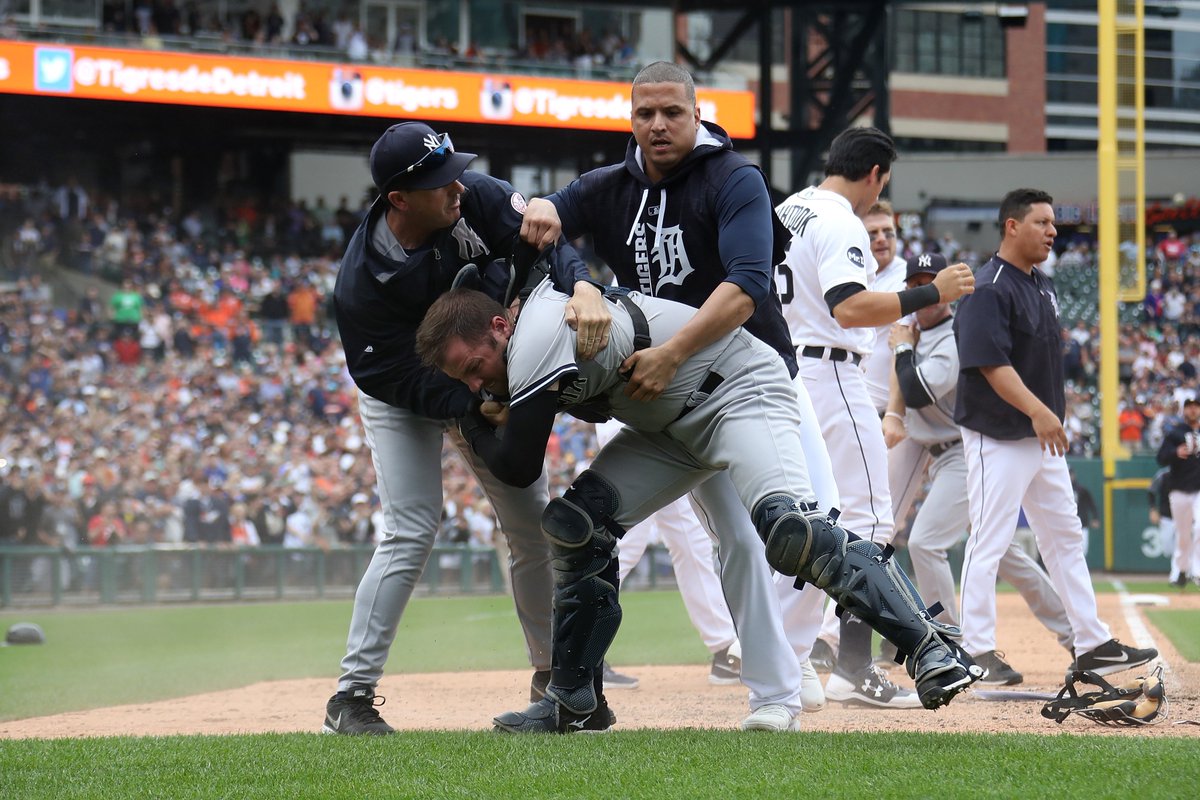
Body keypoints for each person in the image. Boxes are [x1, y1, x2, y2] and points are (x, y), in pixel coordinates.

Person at [416, 281, 981, 732]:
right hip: (670, 426)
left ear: (500, 325)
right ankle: (574, 701)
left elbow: (517, 466)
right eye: (463, 378)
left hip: (738, 392)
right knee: (575, 526)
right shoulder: (521, 338)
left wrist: (468, 416)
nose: (476, 382)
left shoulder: (538, 332)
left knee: (791, 533)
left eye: (473, 366)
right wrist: (484, 399)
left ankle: (929, 646)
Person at [517, 61, 835, 728]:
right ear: (630, 119)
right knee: (733, 542)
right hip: (669, 397)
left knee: (806, 521)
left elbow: (748, 284)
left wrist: (672, 351)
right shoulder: (609, 186)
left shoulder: (734, 180)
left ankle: (820, 658)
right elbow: (548, 219)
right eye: (645, 114)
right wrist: (548, 219)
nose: (658, 125)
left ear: (697, 114)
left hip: (754, 381)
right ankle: (775, 691)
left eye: (672, 113)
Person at [323, 121, 610, 735]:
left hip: (481, 371)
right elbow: (385, 375)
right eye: (435, 180)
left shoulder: (473, 196)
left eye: (453, 168)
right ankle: (351, 695)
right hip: (408, 391)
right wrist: (473, 402)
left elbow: (545, 241)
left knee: (532, 528)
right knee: (411, 525)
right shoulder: (362, 284)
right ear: (398, 199)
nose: (454, 184)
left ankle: (556, 684)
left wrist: (582, 281)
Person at [775, 126, 975, 708]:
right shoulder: (839, 219)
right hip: (832, 372)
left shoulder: (788, 210)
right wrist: (929, 292)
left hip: (786, 372)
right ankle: (851, 668)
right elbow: (852, 307)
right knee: (866, 521)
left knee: (807, 519)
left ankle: (790, 657)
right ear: (876, 175)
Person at [954, 188, 1158, 678]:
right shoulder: (989, 286)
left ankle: (1091, 643)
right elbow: (988, 364)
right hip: (999, 433)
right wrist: (1041, 413)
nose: (1052, 231)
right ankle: (976, 650)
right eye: (1042, 222)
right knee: (990, 539)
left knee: (1065, 537)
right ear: (1012, 226)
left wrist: (1046, 418)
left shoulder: (1041, 284)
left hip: (1040, 437)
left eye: (1052, 223)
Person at [882, 252, 1074, 686]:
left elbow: (913, 391)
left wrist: (900, 347)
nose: (925, 289)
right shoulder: (911, 330)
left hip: (963, 453)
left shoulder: (949, 334)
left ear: (948, 286)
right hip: (935, 454)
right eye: (917, 281)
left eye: (932, 280)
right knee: (1001, 552)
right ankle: (1075, 633)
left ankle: (951, 646)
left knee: (927, 542)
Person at [1156, 398, 1200, 589]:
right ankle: (1179, 571)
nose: (1193, 410)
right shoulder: (1175, 433)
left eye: (1196, 407)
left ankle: (1197, 571)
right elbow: (1160, 458)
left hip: (1198, 489)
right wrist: (1175, 452)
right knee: (1182, 535)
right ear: (1184, 410)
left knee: (1199, 529)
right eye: (1189, 407)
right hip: (1179, 489)